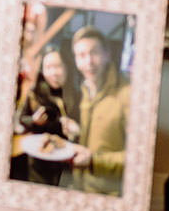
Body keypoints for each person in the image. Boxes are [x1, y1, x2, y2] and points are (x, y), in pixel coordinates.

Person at [66, 25, 130, 196]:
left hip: (111, 196)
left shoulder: (128, 94)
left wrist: (94, 160)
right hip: (82, 189)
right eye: (81, 55)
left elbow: (139, 157)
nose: (88, 62)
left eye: (94, 53)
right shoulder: (85, 90)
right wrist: (75, 132)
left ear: (107, 55)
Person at [14, 44, 75, 186]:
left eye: (58, 66)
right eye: (48, 67)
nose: (53, 72)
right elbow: (22, 120)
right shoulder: (35, 93)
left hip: (67, 164)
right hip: (40, 163)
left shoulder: (76, 94)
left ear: (67, 67)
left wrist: (74, 129)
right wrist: (34, 121)